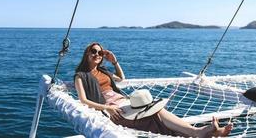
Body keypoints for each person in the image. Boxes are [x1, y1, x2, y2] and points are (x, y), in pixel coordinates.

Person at [74, 42, 233, 137]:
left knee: (157, 110)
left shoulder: (104, 71)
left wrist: (114, 62)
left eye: (100, 52)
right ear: (86, 54)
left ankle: (201, 133)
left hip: (126, 102)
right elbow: (83, 100)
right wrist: (107, 108)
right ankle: (199, 133)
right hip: (113, 108)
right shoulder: (81, 75)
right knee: (155, 115)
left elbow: (121, 78)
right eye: (93, 51)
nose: (97, 54)